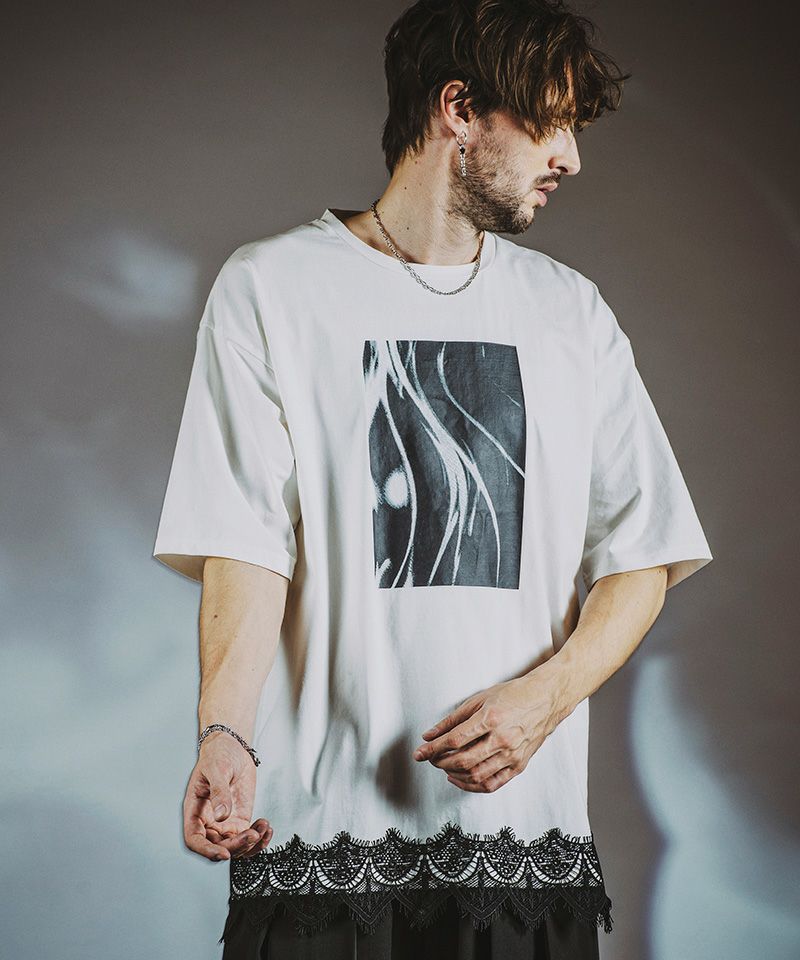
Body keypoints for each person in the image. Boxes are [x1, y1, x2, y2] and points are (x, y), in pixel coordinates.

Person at [152, 1, 714, 957]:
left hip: (522, 850)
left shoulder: (571, 313)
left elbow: (643, 556)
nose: (571, 157)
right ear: (459, 108)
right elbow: (245, 546)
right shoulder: (270, 289)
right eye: (551, 122)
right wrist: (224, 736)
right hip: (323, 844)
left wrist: (544, 699)